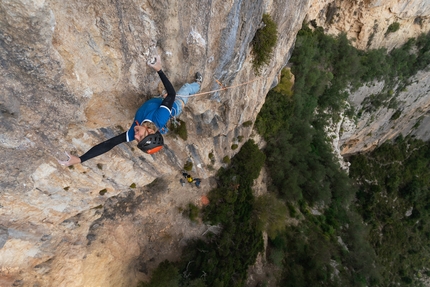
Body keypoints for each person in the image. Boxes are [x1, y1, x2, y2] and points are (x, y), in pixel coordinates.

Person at [58, 55, 203, 166]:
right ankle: (198, 84)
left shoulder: (134, 131)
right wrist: (158, 69)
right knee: (186, 89)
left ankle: (163, 100)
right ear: (150, 131)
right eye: (141, 137)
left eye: (138, 140)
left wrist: (80, 159)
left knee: (164, 97)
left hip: (156, 105)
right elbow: (172, 95)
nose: (136, 136)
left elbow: (108, 144)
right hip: (175, 106)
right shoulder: (160, 117)